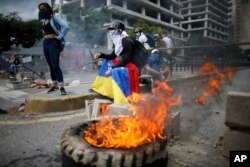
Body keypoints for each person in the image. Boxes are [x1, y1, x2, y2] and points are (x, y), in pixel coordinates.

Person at [91, 20, 140, 105]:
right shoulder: (118, 42)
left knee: (115, 71)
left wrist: (111, 69)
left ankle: (123, 97)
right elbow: (112, 56)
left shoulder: (127, 41)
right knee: (107, 61)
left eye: (113, 29)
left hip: (133, 67)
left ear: (120, 30)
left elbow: (126, 60)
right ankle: (102, 88)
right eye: (110, 30)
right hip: (126, 64)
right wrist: (101, 55)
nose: (111, 32)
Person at [38, 2, 69, 95]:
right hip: (46, 43)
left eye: (43, 9)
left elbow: (66, 27)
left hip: (54, 43)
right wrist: (46, 36)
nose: (41, 11)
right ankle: (54, 85)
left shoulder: (54, 18)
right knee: (51, 65)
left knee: (55, 64)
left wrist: (59, 37)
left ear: (48, 9)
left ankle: (61, 87)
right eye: (40, 9)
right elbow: (46, 31)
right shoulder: (43, 21)